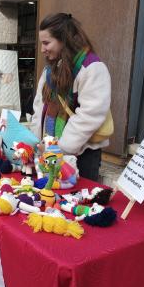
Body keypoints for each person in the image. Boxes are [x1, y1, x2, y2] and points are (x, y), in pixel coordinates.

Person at [30, 13, 111, 182]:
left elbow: (90, 114)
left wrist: (62, 148)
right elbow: (39, 108)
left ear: (63, 40)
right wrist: (36, 143)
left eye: (46, 43)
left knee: (78, 202)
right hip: (50, 151)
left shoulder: (92, 68)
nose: (42, 49)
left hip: (82, 155)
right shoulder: (49, 70)